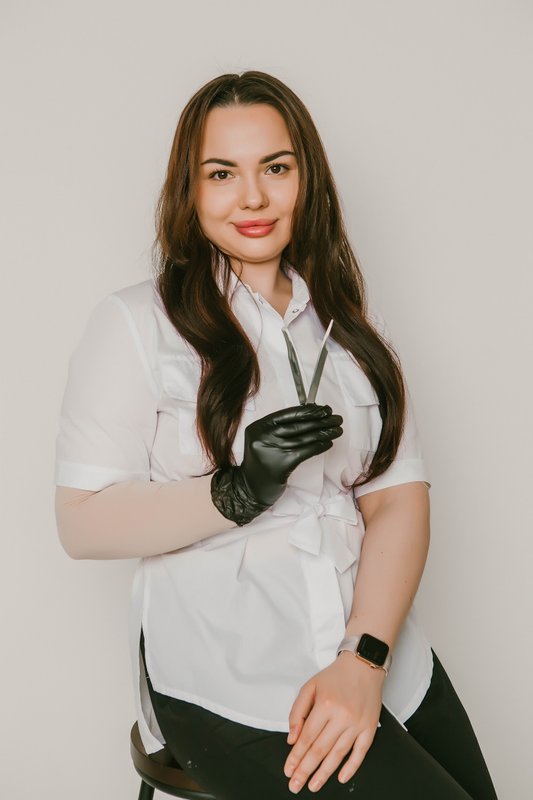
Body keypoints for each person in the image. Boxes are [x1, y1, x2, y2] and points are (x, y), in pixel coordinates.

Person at [54, 71, 498, 799]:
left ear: (306, 179)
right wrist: (235, 490)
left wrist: (364, 657)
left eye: (276, 168)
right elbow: (81, 523)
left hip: (378, 654)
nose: (253, 197)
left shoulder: (351, 333)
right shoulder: (135, 323)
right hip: (230, 677)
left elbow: (397, 500)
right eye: (221, 173)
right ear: (189, 190)